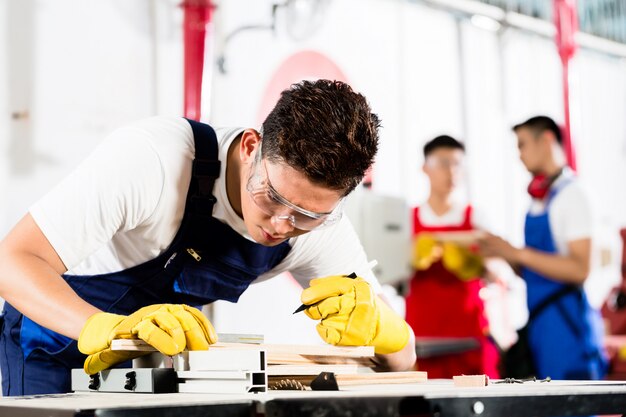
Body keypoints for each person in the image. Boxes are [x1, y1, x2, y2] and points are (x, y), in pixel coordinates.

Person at [0, 79, 416, 395]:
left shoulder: (323, 227)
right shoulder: (154, 159)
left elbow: (403, 360)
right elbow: (13, 261)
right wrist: (103, 328)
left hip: (149, 364)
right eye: (271, 197)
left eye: (307, 215)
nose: (281, 225)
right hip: (51, 345)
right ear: (251, 147)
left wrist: (389, 331)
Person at [479, 115, 607, 380]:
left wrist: (517, 253)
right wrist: (503, 253)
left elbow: (580, 268)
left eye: (523, 145)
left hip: (568, 332)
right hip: (540, 331)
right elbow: (533, 273)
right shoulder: (537, 202)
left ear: (547, 139)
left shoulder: (573, 195)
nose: (519, 155)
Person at [404, 135, 500, 378]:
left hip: (469, 339)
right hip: (422, 340)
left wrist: (478, 265)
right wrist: (408, 260)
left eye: (457, 164)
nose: (452, 172)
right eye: (444, 163)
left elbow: (500, 274)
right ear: (425, 168)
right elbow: (384, 276)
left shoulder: (476, 218)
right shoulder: (406, 220)